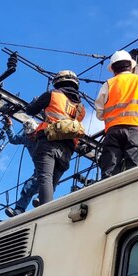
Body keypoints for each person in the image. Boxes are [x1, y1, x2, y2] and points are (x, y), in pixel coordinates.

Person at [95, 50, 138, 178]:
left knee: (109, 171)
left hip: (113, 131)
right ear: (131, 67)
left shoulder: (108, 84)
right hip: (136, 129)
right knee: (134, 170)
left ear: (114, 69)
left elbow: (99, 113)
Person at [22, 70, 86, 206]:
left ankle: (46, 210)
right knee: (52, 183)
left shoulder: (53, 95)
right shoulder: (81, 108)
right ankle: (45, 203)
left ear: (58, 81)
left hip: (48, 142)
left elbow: (30, 110)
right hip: (68, 150)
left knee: (45, 179)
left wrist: (34, 103)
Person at [2, 117, 39, 217]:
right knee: (29, 185)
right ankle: (19, 210)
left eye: (32, 134)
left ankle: (42, 198)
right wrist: (9, 126)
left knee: (47, 181)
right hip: (39, 167)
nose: (31, 137)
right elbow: (14, 139)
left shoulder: (44, 134)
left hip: (52, 164)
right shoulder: (26, 138)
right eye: (29, 135)